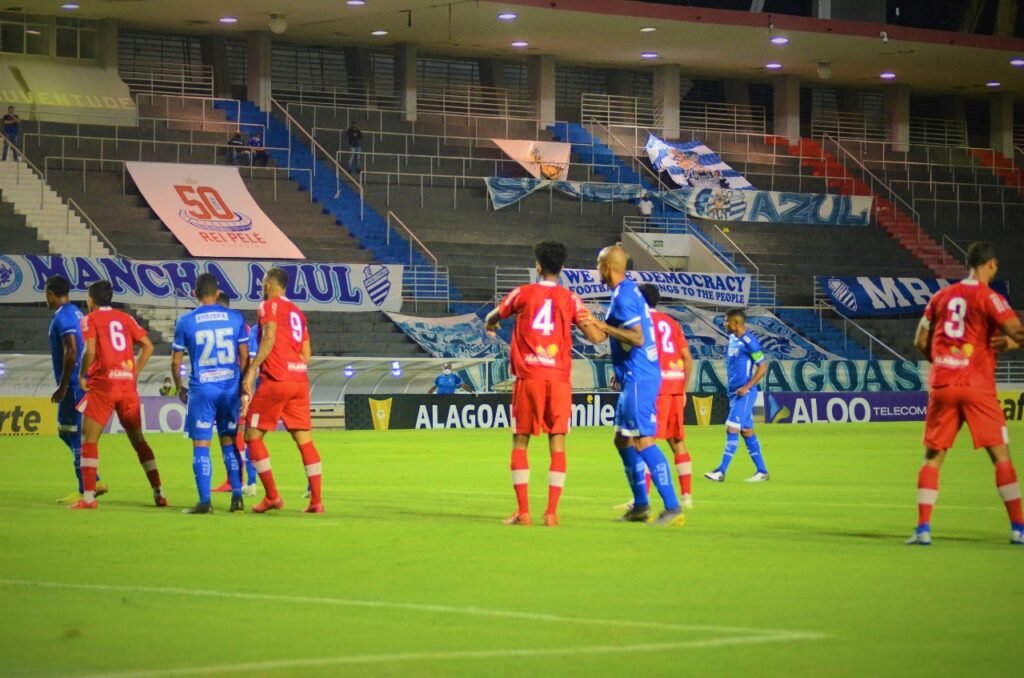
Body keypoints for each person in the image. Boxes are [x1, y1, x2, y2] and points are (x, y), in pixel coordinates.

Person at [907, 241, 1024, 546]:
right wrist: (1012, 343)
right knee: (1001, 457)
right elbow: (1016, 331)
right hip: (977, 386)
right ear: (991, 265)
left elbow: (920, 340)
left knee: (933, 458)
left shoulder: (940, 296)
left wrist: (945, 363)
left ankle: (923, 530)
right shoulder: (990, 297)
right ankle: (1018, 529)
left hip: (944, 383)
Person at [484, 240, 603, 527]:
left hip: (529, 378)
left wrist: (490, 324)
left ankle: (523, 512)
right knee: (557, 442)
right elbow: (597, 338)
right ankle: (551, 513)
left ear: (538, 266)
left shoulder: (522, 293)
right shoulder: (570, 298)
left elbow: (494, 315)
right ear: (561, 268)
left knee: (520, 440)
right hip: (559, 380)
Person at [587, 244, 685, 526]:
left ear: (606, 267)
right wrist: (581, 317)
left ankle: (673, 508)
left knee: (643, 441)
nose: (597, 269)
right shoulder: (625, 292)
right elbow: (598, 337)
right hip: (634, 376)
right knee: (622, 439)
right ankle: (641, 506)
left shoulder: (625, 296)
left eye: (598, 264)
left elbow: (638, 338)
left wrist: (603, 327)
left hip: (640, 376)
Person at [70, 280, 167, 510]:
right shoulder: (126, 318)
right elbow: (148, 346)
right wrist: (134, 372)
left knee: (89, 440)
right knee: (139, 441)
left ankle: (89, 498)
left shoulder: (90, 319)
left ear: (90, 300)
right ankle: (159, 492)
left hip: (103, 386)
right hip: (126, 387)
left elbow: (91, 350)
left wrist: (83, 374)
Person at [242, 267, 324, 514]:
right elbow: (307, 354)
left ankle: (272, 496)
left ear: (268, 285)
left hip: (276, 379)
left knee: (252, 436)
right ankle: (316, 502)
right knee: (304, 440)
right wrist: (292, 363)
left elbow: (268, 337)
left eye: (263, 283)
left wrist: (253, 369)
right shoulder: (298, 313)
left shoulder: (268, 306)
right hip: (299, 380)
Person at [171, 273, 251, 514]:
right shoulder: (235, 318)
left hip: (202, 390)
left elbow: (175, 363)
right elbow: (245, 357)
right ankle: (237, 498)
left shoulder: (186, 321)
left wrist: (178, 387)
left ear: (195, 294)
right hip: (229, 389)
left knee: (201, 445)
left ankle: (205, 501)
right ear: (217, 294)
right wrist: (242, 385)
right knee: (229, 443)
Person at [45, 276, 108, 504]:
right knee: (67, 432)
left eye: (47, 295)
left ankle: (86, 487)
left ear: (51, 294)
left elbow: (71, 350)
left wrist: (62, 386)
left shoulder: (63, 317)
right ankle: (94, 480)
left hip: (73, 385)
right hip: (82, 382)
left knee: (72, 433)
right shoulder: (78, 313)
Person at [642, 283, 695, 509]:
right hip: (675, 384)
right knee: (677, 441)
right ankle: (687, 496)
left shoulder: (642, 322)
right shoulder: (670, 322)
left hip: (657, 387)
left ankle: (641, 499)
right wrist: (683, 388)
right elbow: (687, 357)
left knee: (646, 441)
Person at [704, 309, 769, 483]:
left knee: (731, 428)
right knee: (746, 431)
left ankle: (721, 471)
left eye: (727, 321)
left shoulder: (750, 343)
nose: (724, 324)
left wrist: (747, 386)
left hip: (745, 393)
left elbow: (762, 367)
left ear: (736, 323)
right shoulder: (732, 339)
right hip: (733, 393)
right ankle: (762, 471)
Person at [212, 292, 258, 497]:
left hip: (237, 386)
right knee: (246, 433)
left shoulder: (229, 326)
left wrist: (244, 389)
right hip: (246, 384)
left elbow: (244, 359)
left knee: (235, 433)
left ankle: (237, 480)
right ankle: (247, 480)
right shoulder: (241, 324)